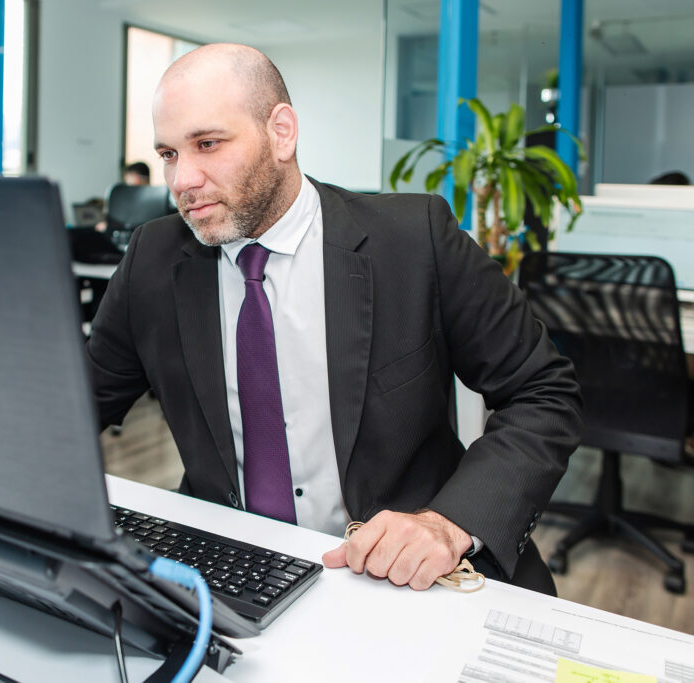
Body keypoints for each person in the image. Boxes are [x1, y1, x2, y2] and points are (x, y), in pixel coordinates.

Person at [85, 43, 582, 593]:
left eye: (207, 144)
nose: (182, 180)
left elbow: (543, 391)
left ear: (281, 132)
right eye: (169, 154)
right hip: (231, 573)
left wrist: (448, 524)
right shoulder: (152, 258)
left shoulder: (414, 240)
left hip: (401, 575)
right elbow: (79, 403)